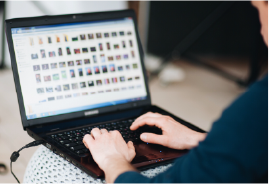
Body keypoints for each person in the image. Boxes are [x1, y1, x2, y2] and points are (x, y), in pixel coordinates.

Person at [83, 0, 269, 183]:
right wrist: (198, 139)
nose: (260, 29)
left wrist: (111, 159)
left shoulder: (260, 104)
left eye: (259, 8)